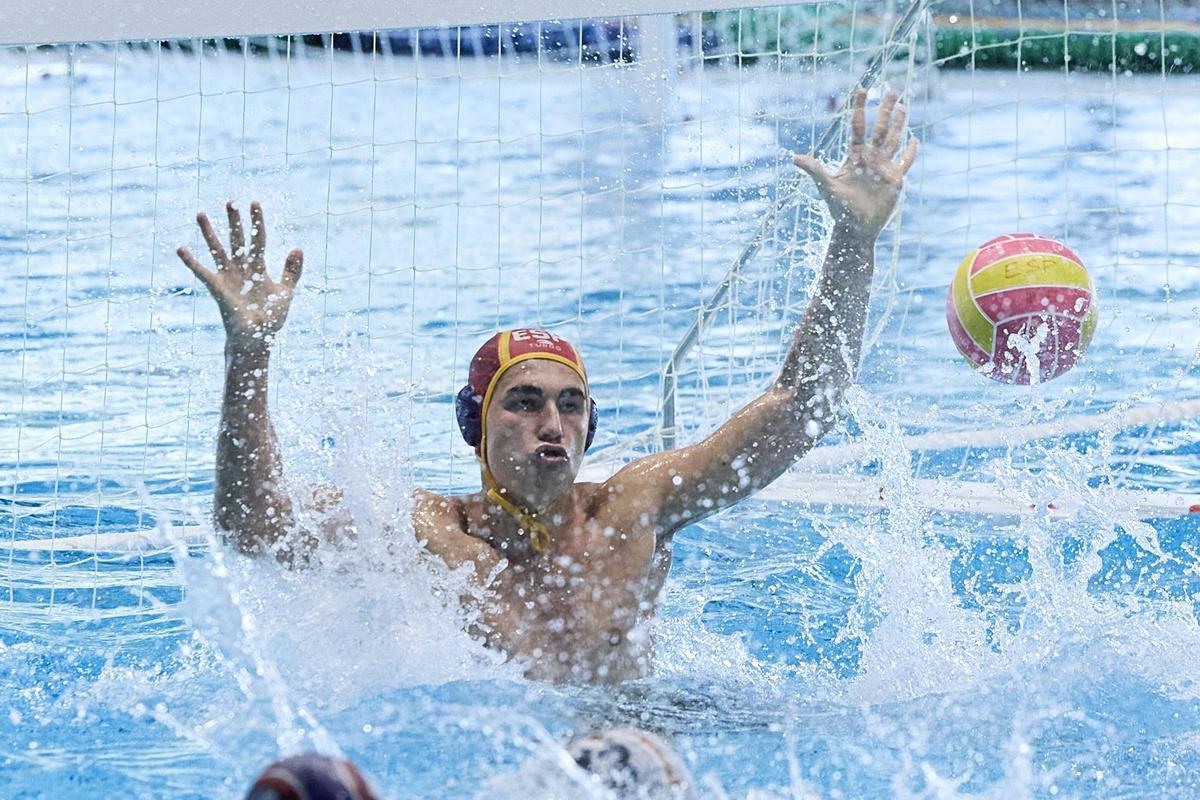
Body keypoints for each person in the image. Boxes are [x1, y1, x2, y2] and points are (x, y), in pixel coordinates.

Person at [177, 89, 918, 683]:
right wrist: (251, 355)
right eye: (524, 402)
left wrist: (855, 241)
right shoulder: (430, 535)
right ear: (476, 424)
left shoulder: (634, 510)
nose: (552, 421)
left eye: (570, 405)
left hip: (648, 730)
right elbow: (256, 530)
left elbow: (800, 409)